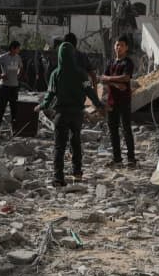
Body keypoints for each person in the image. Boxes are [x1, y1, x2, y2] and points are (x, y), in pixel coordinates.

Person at [39, 42, 104, 185]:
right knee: (75, 142)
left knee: (59, 147)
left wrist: (42, 105)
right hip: (77, 114)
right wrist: (99, 105)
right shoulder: (81, 73)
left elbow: (49, 95)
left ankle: (58, 178)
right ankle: (77, 173)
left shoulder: (56, 74)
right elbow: (90, 91)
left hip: (61, 114)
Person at [100, 36, 136, 167]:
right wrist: (115, 83)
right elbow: (102, 79)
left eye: (121, 45)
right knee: (113, 130)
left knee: (126, 129)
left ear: (126, 47)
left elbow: (126, 78)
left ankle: (131, 158)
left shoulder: (128, 62)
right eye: (116, 45)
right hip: (111, 101)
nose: (118, 47)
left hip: (124, 101)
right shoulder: (111, 62)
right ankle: (117, 159)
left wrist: (109, 79)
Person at [0, 40, 22, 132]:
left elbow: (21, 67)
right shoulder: (4, 57)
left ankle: (14, 127)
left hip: (14, 86)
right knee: (1, 107)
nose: (19, 50)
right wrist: (0, 75)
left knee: (14, 108)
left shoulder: (18, 57)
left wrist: (19, 74)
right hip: (4, 86)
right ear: (13, 48)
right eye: (18, 48)